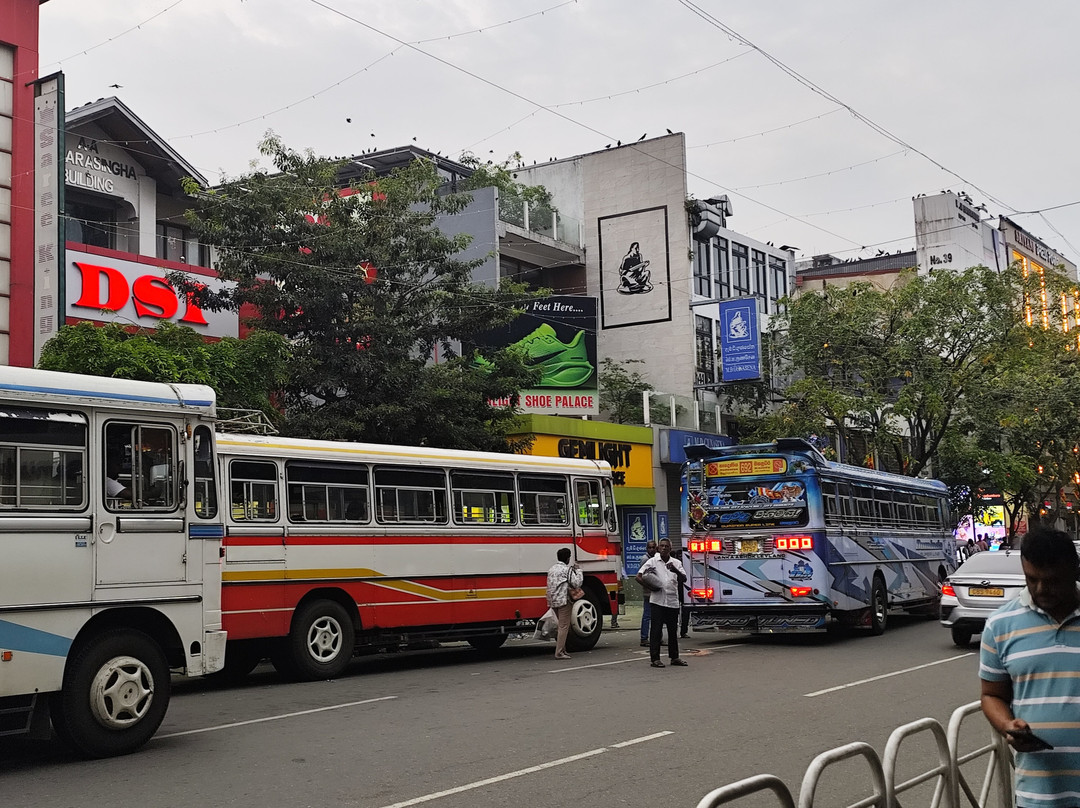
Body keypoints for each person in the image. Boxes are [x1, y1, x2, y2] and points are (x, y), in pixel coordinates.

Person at [980, 527, 1080, 808]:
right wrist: (1007, 725)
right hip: (1039, 794)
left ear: (1075, 570)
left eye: (1052, 581)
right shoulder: (1000, 625)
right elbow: (992, 695)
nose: (1040, 589)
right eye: (1031, 579)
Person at [637, 538, 688, 668]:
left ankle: (674, 657)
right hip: (657, 601)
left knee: (672, 631)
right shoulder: (652, 561)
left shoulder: (676, 562)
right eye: (662, 546)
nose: (664, 548)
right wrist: (649, 587)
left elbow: (684, 578)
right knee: (656, 631)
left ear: (670, 549)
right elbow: (639, 576)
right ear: (658, 548)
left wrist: (675, 570)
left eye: (667, 546)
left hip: (672, 601)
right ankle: (655, 659)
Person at [546, 547, 583, 661]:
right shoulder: (567, 570)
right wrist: (579, 571)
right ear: (567, 558)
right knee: (564, 626)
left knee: (559, 626)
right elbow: (577, 583)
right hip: (564, 600)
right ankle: (559, 652)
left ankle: (563, 649)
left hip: (553, 600)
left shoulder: (551, 569)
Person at [639, 539, 658, 647]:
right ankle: (644, 638)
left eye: (653, 547)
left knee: (657, 616)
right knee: (647, 615)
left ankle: (657, 638)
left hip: (657, 592)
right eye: (649, 547)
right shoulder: (645, 559)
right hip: (648, 593)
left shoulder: (656, 558)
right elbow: (641, 576)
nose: (651, 549)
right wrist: (648, 587)